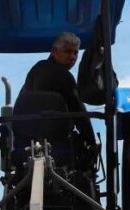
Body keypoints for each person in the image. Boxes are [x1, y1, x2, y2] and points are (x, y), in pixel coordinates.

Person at [13, 32, 96, 162]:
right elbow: (79, 112)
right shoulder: (64, 76)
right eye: (67, 51)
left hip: (24, 143)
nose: (72, 57)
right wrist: (91, 142)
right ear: (54, 51)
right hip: (59, 145)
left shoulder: (36, 70)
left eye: (76, 53)